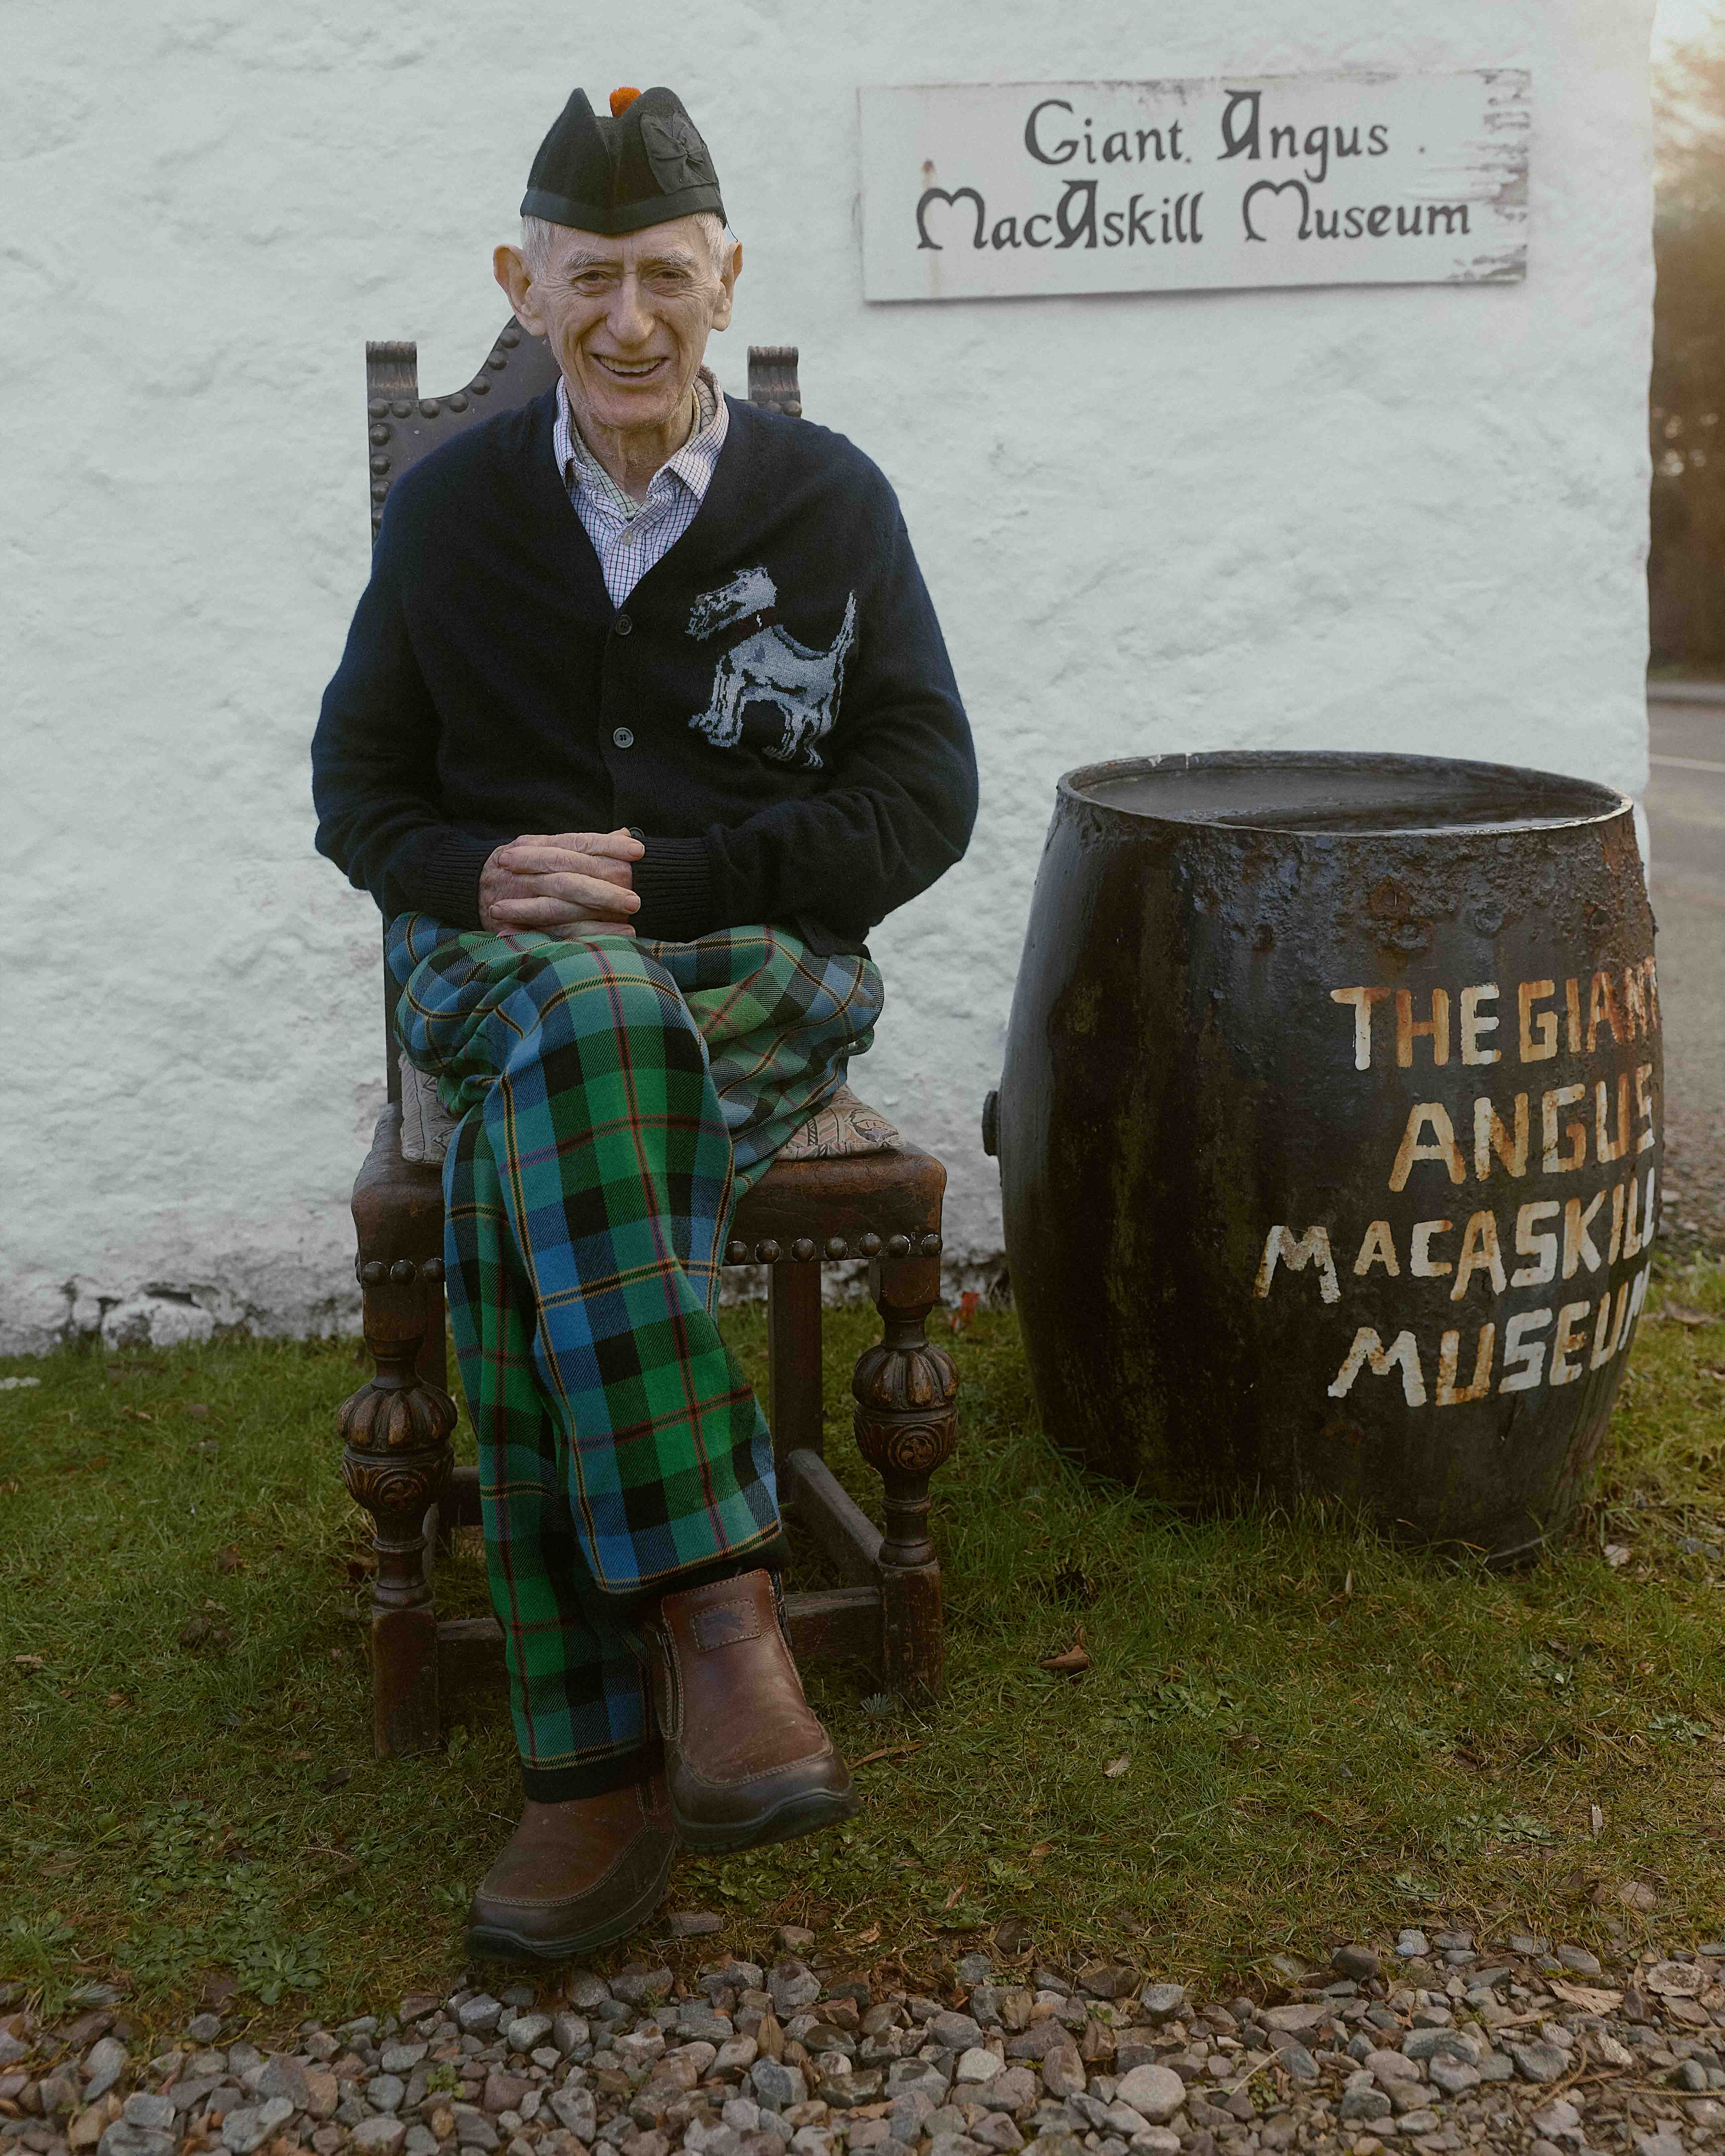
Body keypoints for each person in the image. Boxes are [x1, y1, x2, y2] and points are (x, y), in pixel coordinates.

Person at [311, 82, 976, 1959]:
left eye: (664, 276)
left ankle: (584, 1764)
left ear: (724, 275)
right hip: (498, 959)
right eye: (587, 276)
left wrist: (672, 885)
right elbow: (357, 797)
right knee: (588, 1033)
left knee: (565, 1112)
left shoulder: (830, 499)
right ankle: (714, 1604)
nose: (626, 317)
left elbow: (925, 799)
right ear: (522, 286)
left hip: (758, 961)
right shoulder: (447, 511)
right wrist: (480, 876)